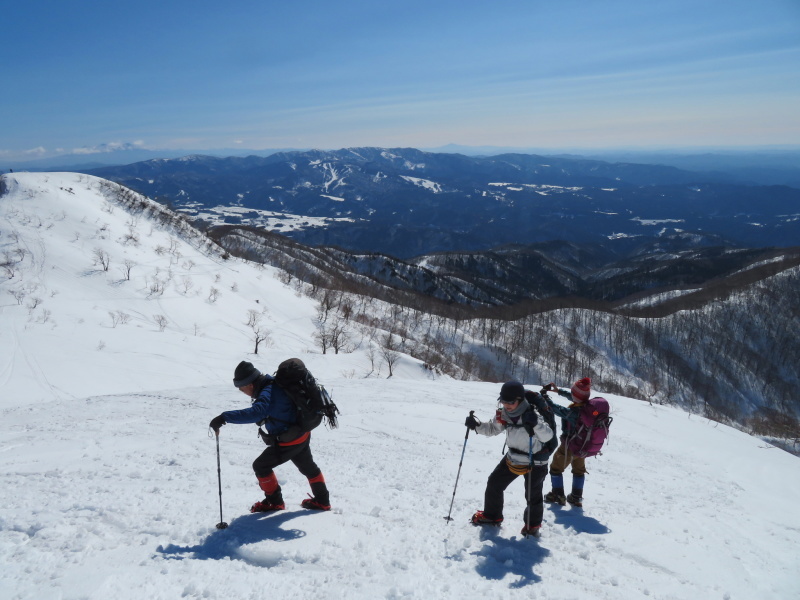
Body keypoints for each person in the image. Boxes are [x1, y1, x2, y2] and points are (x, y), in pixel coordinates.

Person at [209, 360, 331, 512]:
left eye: (241, 389)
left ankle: (274, 503)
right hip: (301, 433)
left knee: (261, 466)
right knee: (309, 467)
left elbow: (256, 412)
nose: (242, 392)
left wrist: (224, 417)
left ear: (250, 384)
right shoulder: (274, 383)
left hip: (290, 440)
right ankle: (322, 501)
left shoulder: (267, 392)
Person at [465, 381, 554, 537]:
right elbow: (493, 429)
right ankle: (492, 516)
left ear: (520, 400)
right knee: (494, 483)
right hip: (513, 457)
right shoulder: (504, 413)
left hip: (536, 461)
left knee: (533, 495)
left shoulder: (532, 413)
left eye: (510, 402)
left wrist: (535, 424)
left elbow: (548, 436)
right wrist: (476, 426)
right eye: (503, 401)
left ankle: (532, 527)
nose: (506, 405)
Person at [542, 377, 592, 508]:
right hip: (582, 446)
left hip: (569, 445)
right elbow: (574, 397)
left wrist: (544, 398)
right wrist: (559, 391)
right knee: (579, 470)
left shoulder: (573, 413)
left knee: (555, 468)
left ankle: (558, 495)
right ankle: (576, 497)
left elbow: (555, 408)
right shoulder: (587, 406)